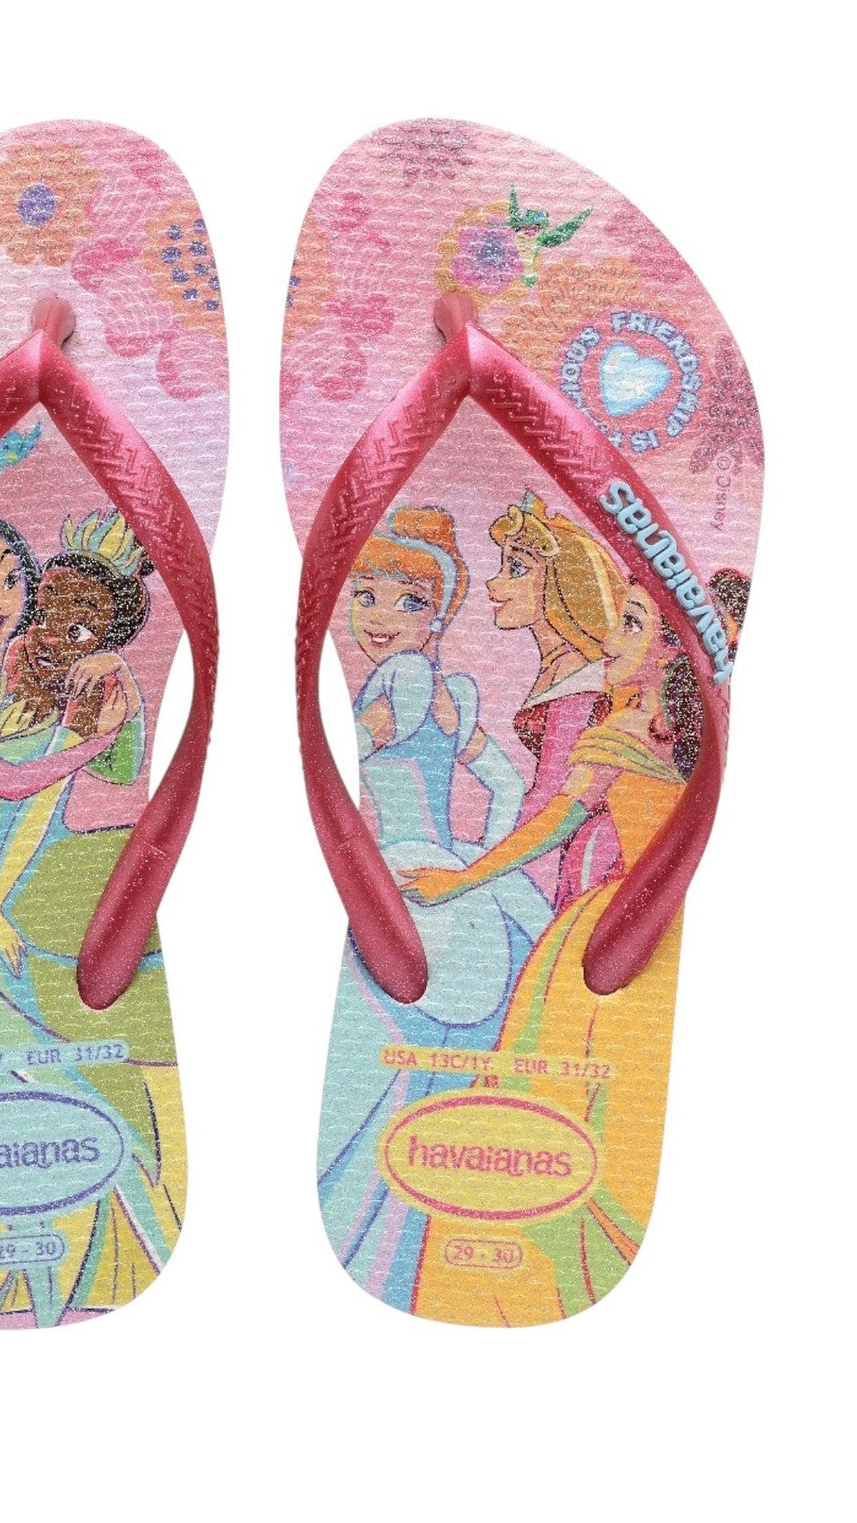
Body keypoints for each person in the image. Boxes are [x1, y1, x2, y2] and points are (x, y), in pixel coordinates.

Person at [398, 576, 745, 1322]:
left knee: (590, 1101)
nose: (609, 640)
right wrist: (461, 880)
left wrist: (461, 880)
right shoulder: (637, 730)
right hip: (609, 941)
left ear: (673, 648)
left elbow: (554, 824)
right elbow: (554, 824)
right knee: (567, 1099)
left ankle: (559, 1247)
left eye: (631, 624)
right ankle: (530, 1262)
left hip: (625, 939)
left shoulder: (651, 732)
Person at [0, 511, 181, 1328]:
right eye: (49, 608)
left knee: (30, 1053)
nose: (50, 630)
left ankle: (114, 1231)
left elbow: (36, 795)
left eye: (82, 624)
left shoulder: (87, 687)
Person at [317, 507, 550, 1309]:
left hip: (404, 877)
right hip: (450, 871)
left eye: (408, 601)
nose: (379, 616)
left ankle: (389, 1229)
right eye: (365, 595)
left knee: (394, 1063)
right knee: (446, 1057)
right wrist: (479, 864)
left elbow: (359, 744)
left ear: (440, 613)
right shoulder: (455, 691)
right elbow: (506, 784)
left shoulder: (407, 679)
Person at [485, 493, 627, 908]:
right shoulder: (564, 667)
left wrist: (480, 865)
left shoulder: (580, 680)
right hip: (560, 847)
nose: (494, 584)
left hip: (583, 858)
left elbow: (553, 798)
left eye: (516, 569)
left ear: (563, 583)